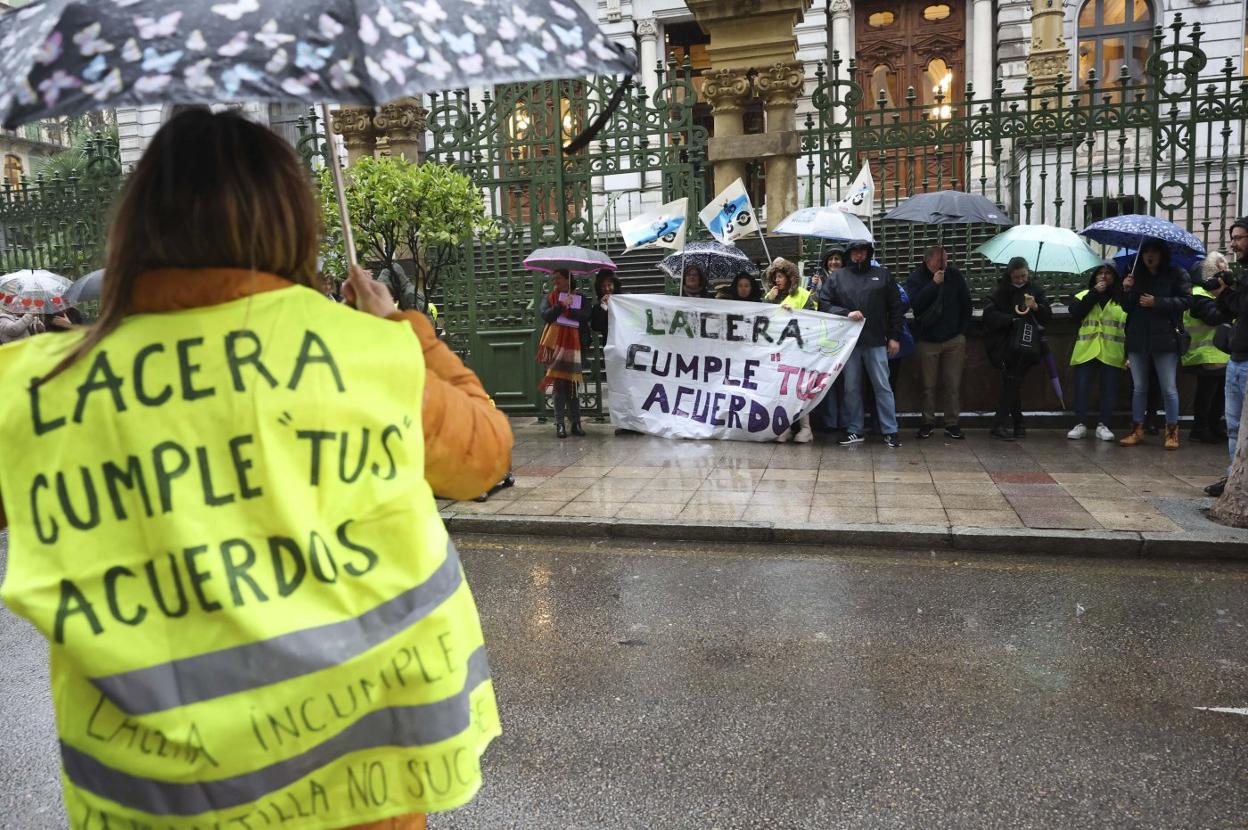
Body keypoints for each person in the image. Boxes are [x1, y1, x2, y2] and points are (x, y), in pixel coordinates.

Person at [0, 110, 510, 830]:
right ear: (290, 221)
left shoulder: (36, 388)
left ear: (137, 225)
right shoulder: (365, 355)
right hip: (359, 802)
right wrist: (401, 329)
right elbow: (485, 455)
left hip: (158, 805)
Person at [818, 239, 904, 448]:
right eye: (855, 252)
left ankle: (890, 430)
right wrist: (846, 313)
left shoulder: (883, 275)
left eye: (862, 252)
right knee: (851, 388)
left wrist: (894, 337)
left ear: (868, 253)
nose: (858, 256)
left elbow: (896, 307)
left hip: (876, 341)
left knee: (882, 386)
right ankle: (854, 429)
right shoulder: (838, 277)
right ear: (850, 254)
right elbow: (824, 303)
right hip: (849, 345)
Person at [1117, 238, 1191, 449]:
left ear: (1162, 254)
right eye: (1146, 252)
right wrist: (1126, 289)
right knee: (1139, 388)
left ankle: (1172, 432)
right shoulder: (1134, 274)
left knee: (1169, 388)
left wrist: (1157, 302)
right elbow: (1127, 307)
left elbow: (1186, 301)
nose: (1149, 256)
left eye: (1154, 252)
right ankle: (1137, 429)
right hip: (1138, 339)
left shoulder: (1176, 274)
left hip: (1165, 339)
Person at [905, 245, 973, 440]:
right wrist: (933, 284)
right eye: (940, 261)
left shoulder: (955, 276)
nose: (944, 264)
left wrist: (961, 331)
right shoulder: (916, 278)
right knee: (928, 385)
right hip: (928, 340)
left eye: (946, 260)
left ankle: (952, 423)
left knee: (952, 383)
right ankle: (927, 422)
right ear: (927, 261)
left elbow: (966, 304)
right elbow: (915, 305)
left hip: (953, 339)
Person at [982, 257, 1053, 441]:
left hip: (1028, 345)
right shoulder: (1000, 292)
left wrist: (1036, 306)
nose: (1020, 280)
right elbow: (989, 314)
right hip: (1005, 344)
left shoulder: (1035, 290)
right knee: (1012, 381)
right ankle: (1014, 423)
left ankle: (1007, 423)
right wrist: (1011, 320)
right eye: (1016, 277)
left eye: (1023, 276)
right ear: (1010, 276)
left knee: (1013, 381)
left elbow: (1047, 315)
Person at [1207, 217, 1248, 496]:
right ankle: (1234, 477)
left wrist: (1226, 292)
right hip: (1236, 358)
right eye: (1232, 238)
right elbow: (1232, 311)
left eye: (1240, 237)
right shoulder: (1243, 273)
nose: (1234, 243)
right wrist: (1226, 292)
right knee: (1233, 426)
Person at [1067, 261, 1126, 441]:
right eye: (1100, 273)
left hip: (1112, 351)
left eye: (1108, 273)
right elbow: (1075, 313)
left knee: (1109, 389)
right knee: (1082, 388)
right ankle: (1080, 423)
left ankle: (1104, 424)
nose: (1103, 276)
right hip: (1087, 350)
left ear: (1114, 277)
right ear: (1094, 277)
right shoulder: (1083, 295)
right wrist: (1094, 293)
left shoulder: (1122, 298)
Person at [764, 258, 817, 444]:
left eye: (780, 276)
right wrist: (768, 301)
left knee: (800, 388)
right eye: (774, 277)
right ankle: (784, 426)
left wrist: (794, 313)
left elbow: (814, 318)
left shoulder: (803, 294)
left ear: (789, 277)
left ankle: (805, 428)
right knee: (781, 389)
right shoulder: (770, 296)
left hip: (799, 350)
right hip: (779, 351)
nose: (777, 280)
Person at [1184, 251, 1232, 444]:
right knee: (1207, 393)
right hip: (1205, 352)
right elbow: (1213, 317)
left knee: (1219, 394)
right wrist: (1225, 301)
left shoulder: (1218, 294)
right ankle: (1200, 428)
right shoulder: (1198, 294)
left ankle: (1214, 426)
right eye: (1218, 272)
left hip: (1220, 353)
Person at [539, 268, 592, 438]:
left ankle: (575, 423)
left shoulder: (581, 298)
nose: (556, 282)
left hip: (576, 348)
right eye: (554, 279)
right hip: (556, 347)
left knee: (573, 386)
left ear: (568, 280)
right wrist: (561, 305)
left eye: (559, 279)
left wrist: (571, 308)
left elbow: (586, 316)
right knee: (559, 386)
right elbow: (546, 315)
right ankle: (559, 424)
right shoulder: (550, 298)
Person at [591, 268, 620, 344]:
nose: (607, 289)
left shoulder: (624, 301)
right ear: (599, 288)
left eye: (609, 285)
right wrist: (603, 307)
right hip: (609, 344)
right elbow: (595, 327)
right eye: (603, 286)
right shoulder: (598, 307)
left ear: (615, 285)